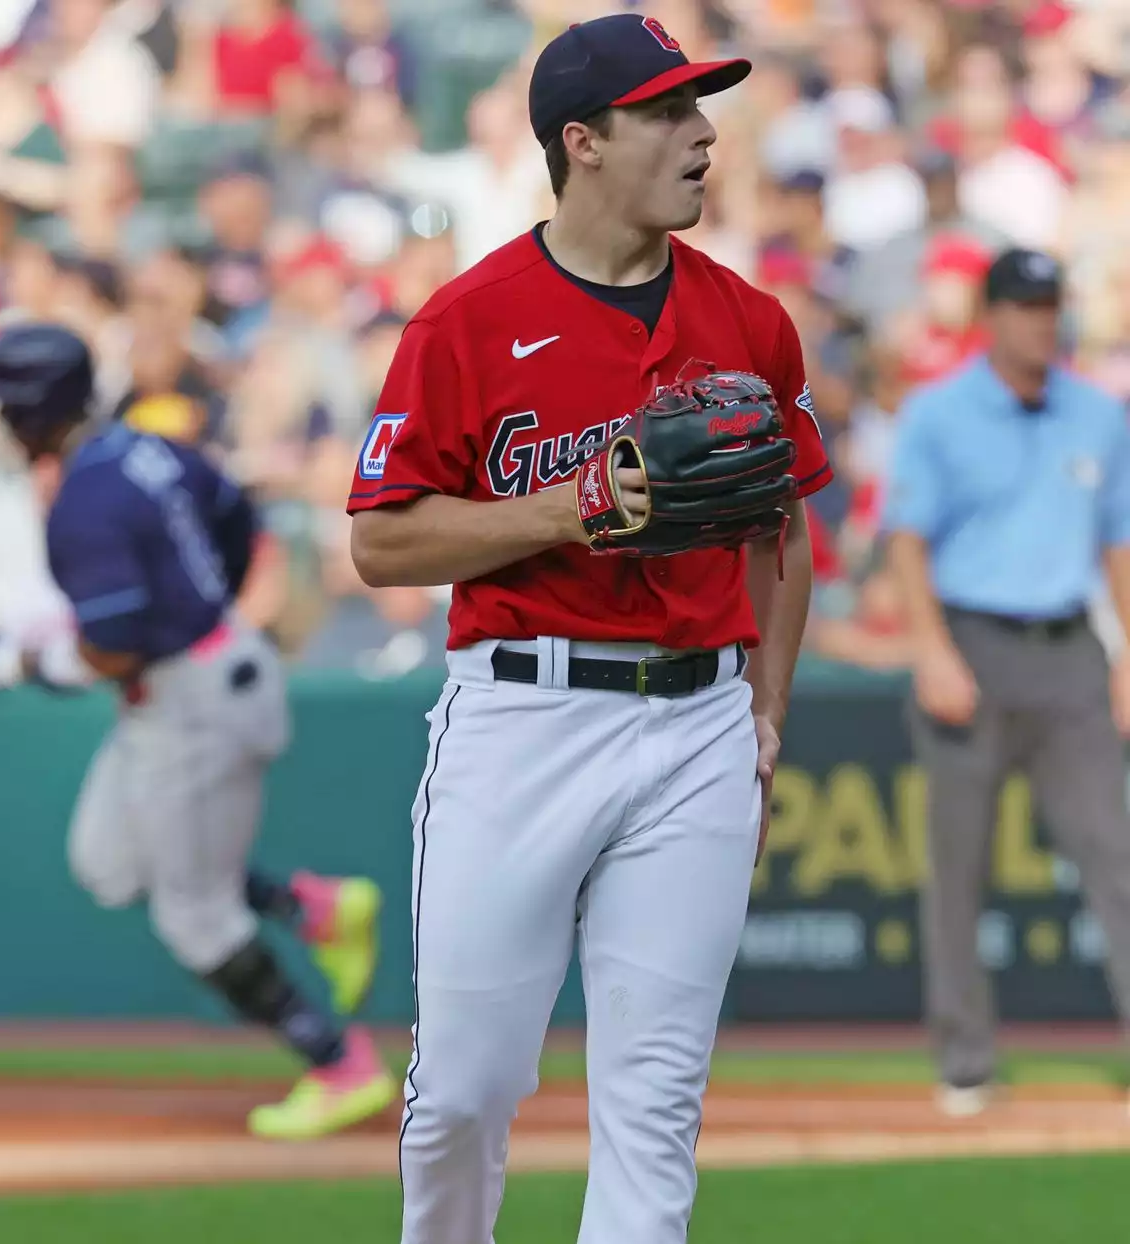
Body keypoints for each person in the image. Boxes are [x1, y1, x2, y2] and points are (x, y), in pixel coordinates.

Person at [346, 15, 832, 1243]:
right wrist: (566, 506)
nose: (702, 133)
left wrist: (764, 712)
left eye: (700, 107)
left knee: (653, 1104)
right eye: (667, 112)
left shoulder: (749, 323)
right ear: (583, 141)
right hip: (523, 716)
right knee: (462, 1091)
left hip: (699, 724)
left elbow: (785, 531)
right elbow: (381, 541)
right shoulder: (463, 321)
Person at [0, 322, 398, 1140]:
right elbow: (237, 523)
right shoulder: (148, 448)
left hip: (191, 700)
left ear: (30, 413)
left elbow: (114, 644)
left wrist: (33, 667)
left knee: (193, 916)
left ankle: (339, 1063)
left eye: (6, 407)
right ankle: (309, 907)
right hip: (194, 679)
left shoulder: (84, 503)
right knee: (108, 864)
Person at [882, 248, 1130, 1118]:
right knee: (958, 868)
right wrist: (931, 647)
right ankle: (965, 1060)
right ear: (991, 314)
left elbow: (1119, 542)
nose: (1040, 319)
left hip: (1070, 651)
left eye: (1050, 304)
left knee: (1120, 855)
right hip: (973, 641)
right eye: (1024, 305)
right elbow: (905, 536)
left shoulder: (1099, 416)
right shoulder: (939, 413)